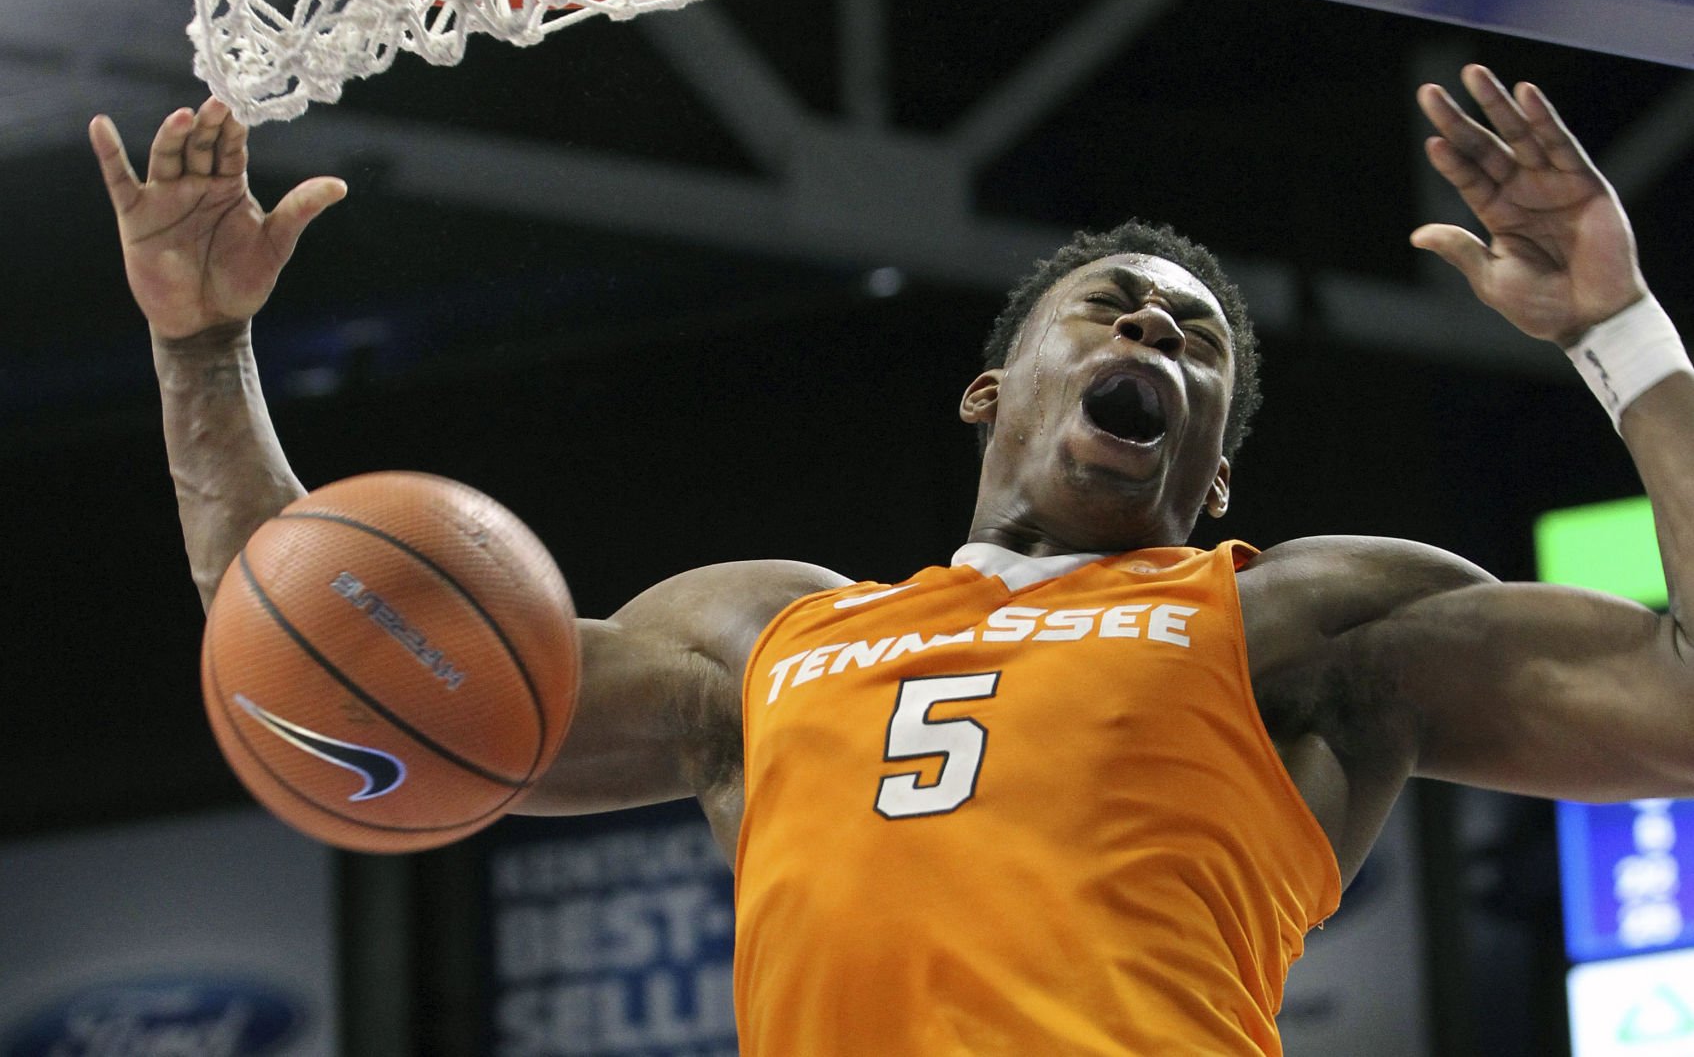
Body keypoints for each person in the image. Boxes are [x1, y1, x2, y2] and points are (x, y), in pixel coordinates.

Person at [90, 66, 1694, 1056]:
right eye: (1115, 308)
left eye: (1194, 340)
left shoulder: (1303, 620)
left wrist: (1621, 337)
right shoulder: (760, 639)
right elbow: (331, 677)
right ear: (992, 391)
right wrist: (203, 348)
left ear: (1214, 475)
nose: (1153, 328)